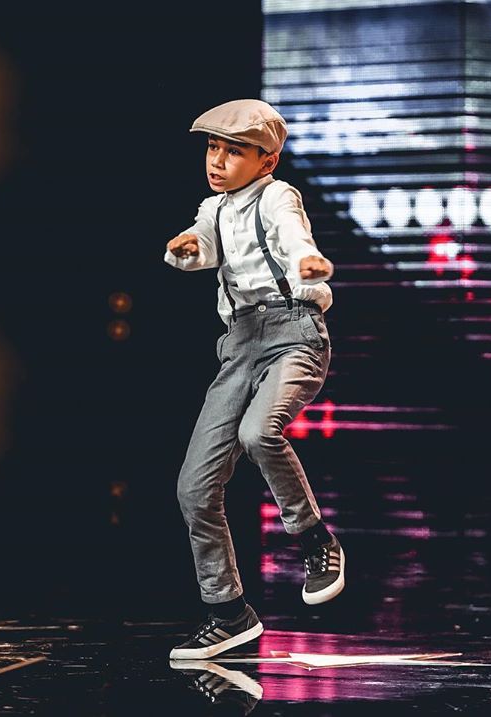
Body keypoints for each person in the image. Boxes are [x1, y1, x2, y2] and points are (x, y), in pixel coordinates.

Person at [164, 99, 344, 660]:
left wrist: (308, 262)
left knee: (259, 432)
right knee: (194, 487)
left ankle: (314, 539)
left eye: (233, 152)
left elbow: (292, 236)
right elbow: (202, 243)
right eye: (212, 148)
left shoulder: (277, 195)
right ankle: (229, 613)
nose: (217, 161)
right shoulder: (212, 208)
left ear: (266, 161)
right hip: (239, 343)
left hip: (294, 333)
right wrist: (186, 248)